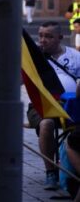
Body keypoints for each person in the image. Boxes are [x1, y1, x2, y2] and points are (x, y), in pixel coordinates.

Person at [28, 21, 80, 189]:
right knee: (46, 124)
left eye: (48, 36)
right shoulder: (34, 59)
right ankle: (51, 172)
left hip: (72, 106)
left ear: (60, 38)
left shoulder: (75, 56)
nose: (43, 40)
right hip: (42, 105)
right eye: (41, 36)